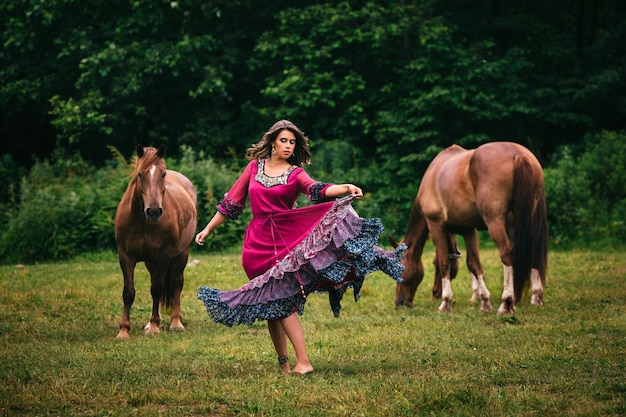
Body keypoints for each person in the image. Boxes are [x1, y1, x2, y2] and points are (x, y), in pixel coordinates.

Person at [195, 120, 405, 375]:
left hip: (285, 242)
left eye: (292, 142)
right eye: (284, 140)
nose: (288, 146)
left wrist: (346, 187)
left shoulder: (295, 172)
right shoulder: (253, 168)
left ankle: (303, 362)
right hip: (255, 245)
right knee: (269, 301)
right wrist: (207, 228)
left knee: (281, 300)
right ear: (272, 141)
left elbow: (317, 189)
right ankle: (284, 363)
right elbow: (231, 203)